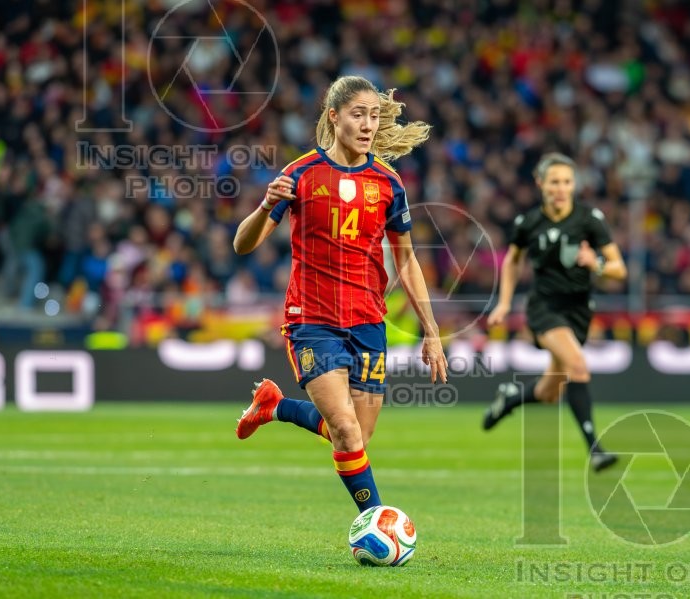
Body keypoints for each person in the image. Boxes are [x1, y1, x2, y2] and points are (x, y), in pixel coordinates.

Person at [232, 75, 448, 513]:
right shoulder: (300, 174)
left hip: (369, 321)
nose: (368, 124)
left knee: (354, 437)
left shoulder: (389, 184)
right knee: (347, 431)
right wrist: (262, 205)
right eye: (358, 114)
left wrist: (432, 330)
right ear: (334, 117)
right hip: (311, 320)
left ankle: (274, 406)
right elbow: (242, 244)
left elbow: (405, 260)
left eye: (373, 115)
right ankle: (377, 521)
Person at [482, 152, 627, 472]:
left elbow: (619, 269)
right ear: (540, 184)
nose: (561, 189)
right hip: (544, 309)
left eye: (567, 182)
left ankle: (509, 399)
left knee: (549, 391)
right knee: (578, 364)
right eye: (554, 182)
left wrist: (596, 264)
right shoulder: (529, 222)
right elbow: (512, 261)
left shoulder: (589, 219)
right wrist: (505, 303)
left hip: (578, 311)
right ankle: (595, 449)